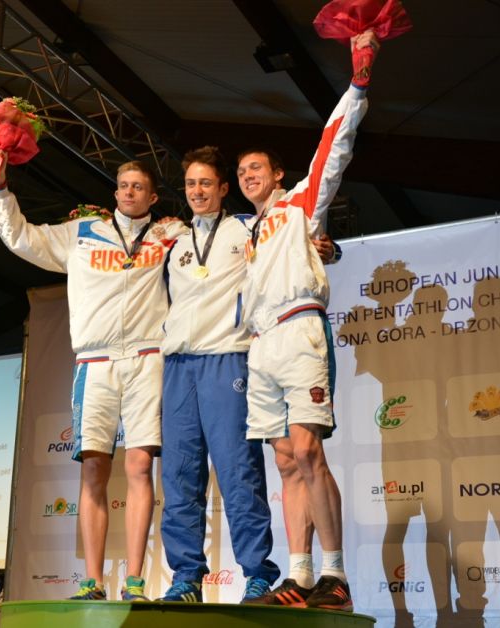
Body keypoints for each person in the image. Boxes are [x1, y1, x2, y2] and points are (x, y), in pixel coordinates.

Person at [0, 156, 186, 601]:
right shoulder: (81, 233)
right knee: (94, 468)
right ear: (114, 192)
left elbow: (218, 244)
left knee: (140, 468)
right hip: (95, 362)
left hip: (148, 359)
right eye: (123, 185)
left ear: (153, 197)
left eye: (138, 186)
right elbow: (21, 236)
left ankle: (135, 581)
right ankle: (92, 581)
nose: (129, 192)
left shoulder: (169, 235)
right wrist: (0, 192)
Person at [238, 30, 379, 613]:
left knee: (308, 451)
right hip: (261, 345)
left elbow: (333, 146)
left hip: (299, 330)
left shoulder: (299, 203)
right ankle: (297, 576)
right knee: (285, 461)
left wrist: (358, 83)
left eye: (256, 168)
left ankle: (335, 575)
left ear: (278, 175)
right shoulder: (247, 234)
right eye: (241, 171)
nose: (248, 175)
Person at [157, 147, 281, 603]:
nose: (197, 191)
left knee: (237, 470)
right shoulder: (172, 239)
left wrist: (329, 246)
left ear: (223, 188)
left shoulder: (247, 228)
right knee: (179, 477)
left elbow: (293, 243)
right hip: (178, 367)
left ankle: (258, 573)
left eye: (206, 183)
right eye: (191, 183)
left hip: (227, 359)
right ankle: (186, 577)